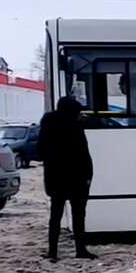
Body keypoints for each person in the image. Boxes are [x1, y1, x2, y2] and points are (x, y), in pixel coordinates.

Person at [37, 96, 97, 261]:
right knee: (78, 215)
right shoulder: (74, 128)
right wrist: (88, 176)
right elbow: (84, 155)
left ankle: (53, 252)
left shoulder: (47, 126)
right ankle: (80, 250)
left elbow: (40, 152)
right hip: (76, 178)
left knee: (55, 215)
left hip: (55, 178)